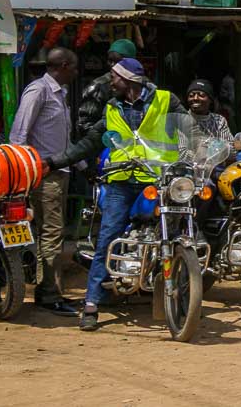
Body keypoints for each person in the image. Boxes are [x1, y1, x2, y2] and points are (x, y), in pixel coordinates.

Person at [46, 58, 196, 331]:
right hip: (121, 182)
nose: (110, 82)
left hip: (159, 179)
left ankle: (183, 290)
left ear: (128, 79)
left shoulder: (165, 100)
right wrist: (55, 161)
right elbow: (90, 142)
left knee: (180, 226)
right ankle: (91, 303)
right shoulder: (112, 108)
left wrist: (200, 155)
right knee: (108, 236)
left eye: (114, 77)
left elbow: (190, 130)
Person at [10, 47, 80, 316]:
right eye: (73, 67)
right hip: (43, 175)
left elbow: (64, 142)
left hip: (60, 172)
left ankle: (48, 290)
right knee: (51, 234)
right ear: (62, 65)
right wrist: (26, 171)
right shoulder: (38, 90)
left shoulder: (59, 95)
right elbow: (18, 135)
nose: (75, 73)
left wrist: (82, 164)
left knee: (50, 234)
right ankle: (49, 294)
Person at [76, 39, 137, 137]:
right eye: (110, 60)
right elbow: (85, 125)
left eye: (117, 61)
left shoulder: (141, 85)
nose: (112, 65)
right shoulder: (99, 86)